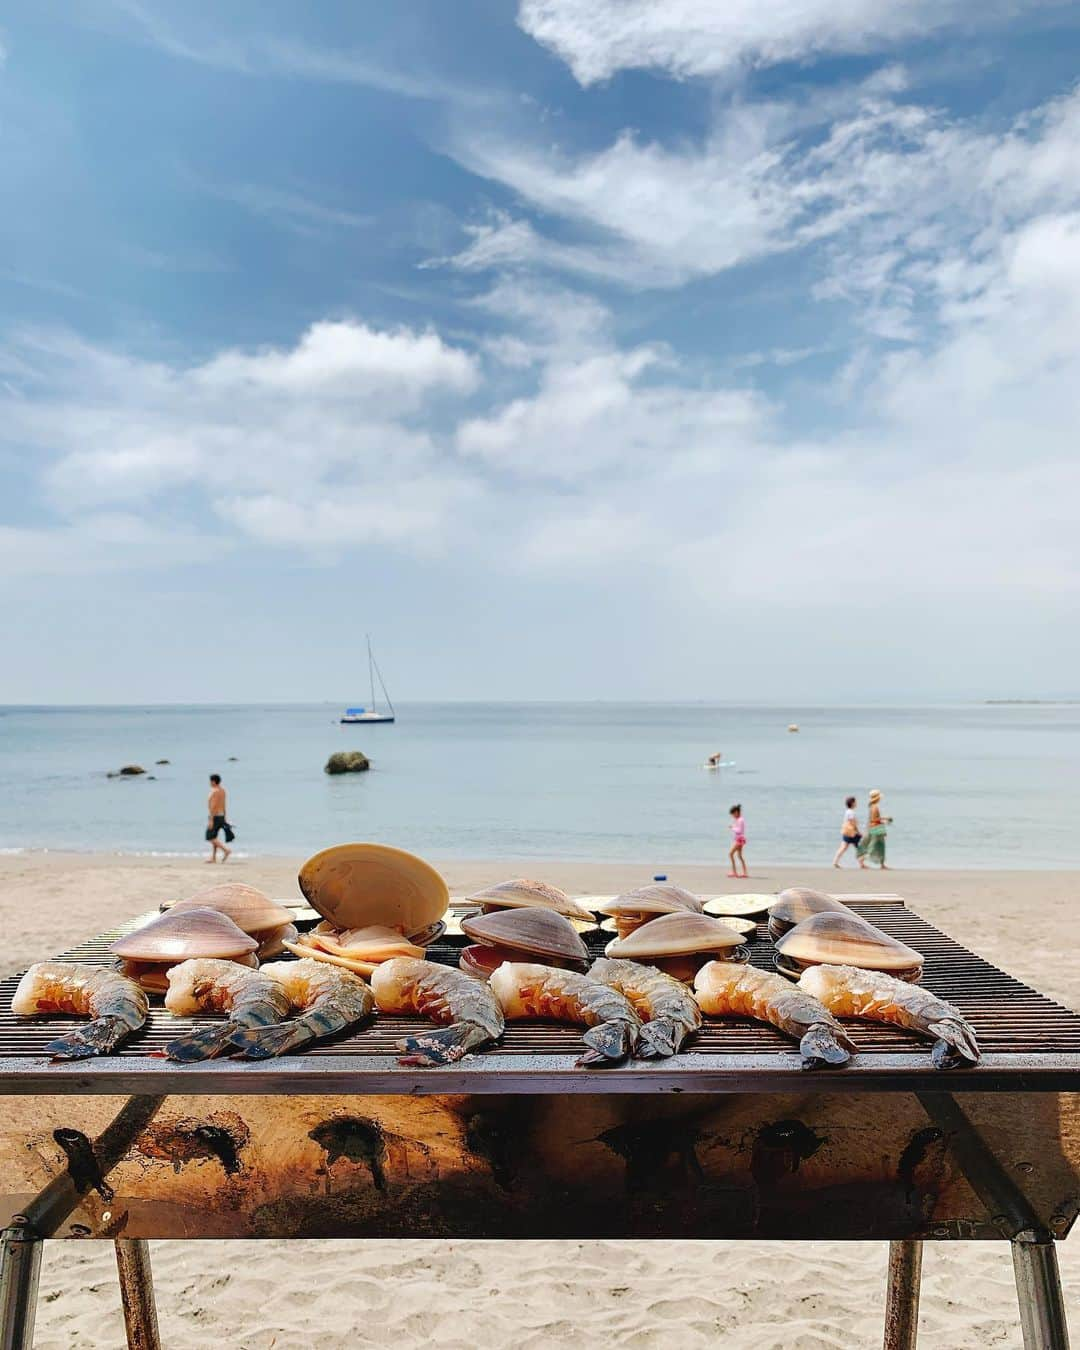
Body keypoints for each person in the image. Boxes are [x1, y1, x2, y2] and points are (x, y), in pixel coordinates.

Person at [857, 789, 892, 869]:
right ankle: (862, 860)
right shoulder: (875, 807)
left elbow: (873, 819)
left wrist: (883, 821)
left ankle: (882, 864)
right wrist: (886, 819)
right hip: (876, 828)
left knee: (879, 846)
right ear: (877, 798)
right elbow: (875, 819)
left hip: (874, 827)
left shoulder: (872, 806)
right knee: (877, 846)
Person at [205, 773, 234, 863]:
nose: (209, 783)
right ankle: (213, 858)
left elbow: (214, 806)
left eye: (210, 781)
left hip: (215, 816)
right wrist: (225, 817)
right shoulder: (223, 790)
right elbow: (224, 804)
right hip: (221, 815)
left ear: (213, 782)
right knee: (215, 837)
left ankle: (226, 850)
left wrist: (211, 820)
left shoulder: (215, 791)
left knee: (209, 837)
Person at [833, 796, 868, 869]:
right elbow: (853, 824)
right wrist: (859, 832)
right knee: (861, 848)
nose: (856, 803)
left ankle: (835, 862)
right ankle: (862, 864)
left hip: (846, 833)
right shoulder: (851, 813)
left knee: (843, 848)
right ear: (852, 803)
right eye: (855, 802)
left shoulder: (847, 811)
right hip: (852, 834)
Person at [728, 804, 748, 878]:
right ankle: (744, 873)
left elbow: (739, 831)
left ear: (736, 812)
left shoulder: (740, 820)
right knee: (739, 856)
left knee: (730, 854)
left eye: (733, 814)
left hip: (740, 840)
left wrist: (732, 827)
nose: (733, 816)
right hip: (740, 839)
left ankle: (735, 872)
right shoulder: (739, 820)